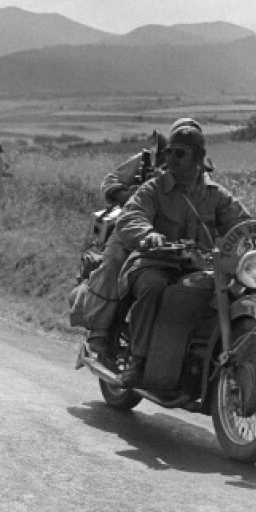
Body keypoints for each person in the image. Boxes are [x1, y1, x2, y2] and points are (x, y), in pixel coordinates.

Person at [114, 125, 252, 388]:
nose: (171, 159)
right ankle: (138, 360)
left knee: (232, 290)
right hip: (154, 262)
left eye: (180, 153)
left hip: (197, 267)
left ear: (198, 157)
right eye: (169, 152)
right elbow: (131, 215)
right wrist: (148, 234)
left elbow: (241, 223)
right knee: (153, 288)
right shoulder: (154, 189)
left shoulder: (215, 195)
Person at [81, 119, 200, 362]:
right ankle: (101, 331)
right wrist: (128, 195)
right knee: (114, 263)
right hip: (131, 229)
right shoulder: (148, 158)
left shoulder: (200, 170)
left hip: (172, 240)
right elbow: (110, 181)